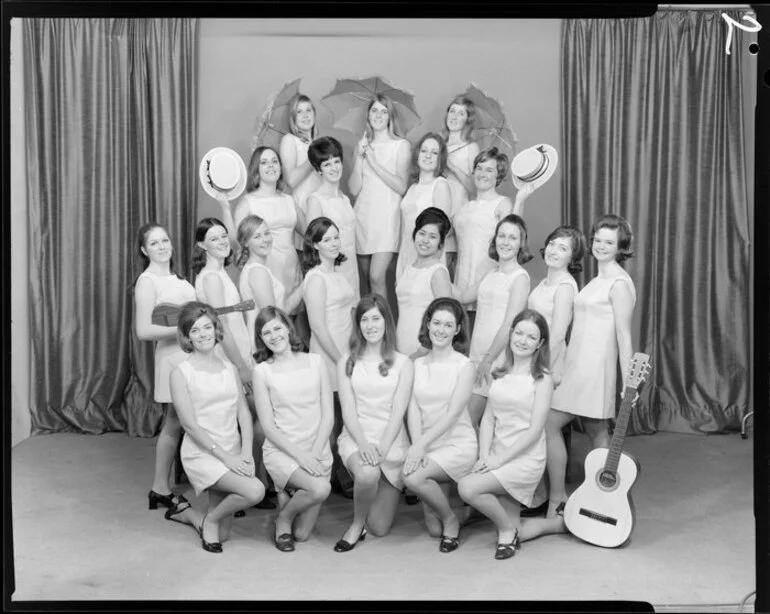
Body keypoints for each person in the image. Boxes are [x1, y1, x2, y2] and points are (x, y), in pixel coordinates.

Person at [545, 214, 637, 519]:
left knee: (563, 425)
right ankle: (591, 499)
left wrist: (629, 384)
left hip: (595, 368)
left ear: (621, 246)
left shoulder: (620, 283)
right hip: (577, 364)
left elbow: (624, 336)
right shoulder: (599, 279)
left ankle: (573, 497)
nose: (600, 246)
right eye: (597, 239)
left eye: (608, 242)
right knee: (596, 430)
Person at [170, 302, 266, 554]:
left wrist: (245, 454)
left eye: (207, 327)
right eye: (195, 330)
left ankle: (187, 513)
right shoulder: (181, 373)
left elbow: (244, 415)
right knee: (255, 491)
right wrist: (226, 458)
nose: (203, 335)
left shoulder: (229, 368)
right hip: (203, 453)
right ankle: (210, 520)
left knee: (222, 536)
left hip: (232, 450)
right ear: (187, 337)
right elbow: (189, 425)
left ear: (216, 328)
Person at [457, 309, 553, 559]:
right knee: (515, 528)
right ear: (510, 335)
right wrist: (485, 454)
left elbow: (535, 431)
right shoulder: (498, 371)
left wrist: (498, 461)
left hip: (524, 457)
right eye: (519, 333)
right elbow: (488, 418)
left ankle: (508, 529)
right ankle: (558, 525)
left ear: (540, 343)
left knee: (467, 488)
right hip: (497, 452)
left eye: (531, 337)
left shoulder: (542, 379)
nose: (523, 340)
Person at [334, 294, 415, 552]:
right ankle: (357, 524)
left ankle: (373, 495)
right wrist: (364, 445)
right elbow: (348, 410)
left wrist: (382, 447)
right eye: (365, 320)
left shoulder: (403, 363)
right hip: (358, 438)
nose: (370, 325)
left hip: (389, 442)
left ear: (386, 322)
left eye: (376, 319)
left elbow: (398, 412)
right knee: (367, 473)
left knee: (379, 527)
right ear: (358, 325)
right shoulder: (346, 361)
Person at [251, 306, 334, 552]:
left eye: (277, 328)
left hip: (316, 448)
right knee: (320, 488)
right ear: (261, 339)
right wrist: (301, 457)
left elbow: (328, 415)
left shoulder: (316, 361)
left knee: (302, 534)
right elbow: (267, 425)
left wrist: (316, 453)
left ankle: (290, 494)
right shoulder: (261, 371)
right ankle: (283, 518)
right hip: (284, 450)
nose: (274, 336)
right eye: (266, 333)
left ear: (288, 328)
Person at [402, 297, 478, 553]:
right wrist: (417, 445)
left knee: (411, 477)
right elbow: (412, 408)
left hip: (457, 443)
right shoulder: (416, 364)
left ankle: (451, 518)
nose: (440, 330)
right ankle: (466, 511)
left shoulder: (464, 365)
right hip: (427, 445)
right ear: (428, 323)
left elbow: (453, 414)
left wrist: (420, 446)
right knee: (433, 531)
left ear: (457, 329)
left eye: (448, 325)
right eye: (436, 323)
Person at [133, 224, 198, 519]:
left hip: (192, 355)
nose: (162, 246)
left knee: (189, 420)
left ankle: (197, 483)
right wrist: (187, 329)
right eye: (154, 243)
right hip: (172, 358)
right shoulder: (147, 282)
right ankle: (160, 487)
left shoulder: (178, 278)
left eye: (165, 240)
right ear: (144, 250)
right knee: (174, 421)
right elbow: (144, 330)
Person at [457, 214, 532, 427]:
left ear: (521, 244)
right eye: (502, 236)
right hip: (478, 354)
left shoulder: (520, 277)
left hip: (497, 357)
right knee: (471, 423)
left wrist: (489, 359)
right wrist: (437, 267)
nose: (505, 242)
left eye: (512, 238)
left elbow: (510, 323)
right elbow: (462, 297)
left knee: (486, 422)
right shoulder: (491, 273)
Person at [301, 217, 357, 496]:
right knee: (332, 416)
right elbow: (318, 326)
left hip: (347, 350)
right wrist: (339, 359)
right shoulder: (315, 278)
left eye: (336, 237)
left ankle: (346, 467)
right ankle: (334, 473)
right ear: (314, 245)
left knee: (348, 412)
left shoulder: (338, 273)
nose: (334, 243)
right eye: (327, 239)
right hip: (327, 354)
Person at [453, 148, 531, 332]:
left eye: (489, 170)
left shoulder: (502, 204)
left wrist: (520, 202)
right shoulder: (465, 207)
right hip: (462, 279)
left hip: (487, 278)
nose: (482, 174)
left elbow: (513, 234)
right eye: (479, 168)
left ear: (499, 175)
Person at [348, 94, 411, 304]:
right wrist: (359, 157)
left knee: (377, 276)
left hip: (386, 218)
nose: (379, 115)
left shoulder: (400, 145)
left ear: (390, 117)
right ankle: (370, 326)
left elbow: (401, 186)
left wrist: (373, 162)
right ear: (368, 115)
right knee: (366, 280)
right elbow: (354, 188)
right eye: (374, 110)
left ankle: (385, 329)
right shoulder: (362, 145)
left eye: (384, 111)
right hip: (363, 216)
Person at [191, 218, 252, 384]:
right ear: (202, 245)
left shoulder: (220, 271)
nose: (223, 242)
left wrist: (225, 206)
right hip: (228, 356)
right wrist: (241, 366)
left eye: (223, 236)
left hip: (239, 348)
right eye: (213, 239)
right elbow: (221, 325)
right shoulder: (212, 278)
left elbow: (235, 241)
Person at [236, 214, 303, 356]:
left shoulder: (258, 268)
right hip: (267, 344)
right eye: (257, 236)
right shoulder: (257, 271)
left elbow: (282, 308)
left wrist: (305, 283)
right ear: (246, 242)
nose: (265, 240)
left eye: (266, 233)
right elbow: (272, 317)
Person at [306, 136, 360, 300]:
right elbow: (314, 243)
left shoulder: (345, 199)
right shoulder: (315, 200)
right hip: (331, 271)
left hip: (351, 266)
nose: (334, 168)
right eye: (327, 164)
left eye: (336, 161)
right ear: (318, 169)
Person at [395, 207, 454, 359]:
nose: (425, 240)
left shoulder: (438, 272)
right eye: (422, 233)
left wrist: (421, 351)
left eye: (433, 237)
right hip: (402, 349)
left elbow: (447, 317)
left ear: (441, 243)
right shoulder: (408, 267)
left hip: (425, 353)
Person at [395, 132, 452, 282]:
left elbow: (443, 231)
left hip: (428, 260)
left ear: (440, 159)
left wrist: (431, 267)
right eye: (424, 151)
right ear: (417, 153)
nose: (428, 156)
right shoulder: (412, 188)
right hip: (406, 255)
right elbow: (405, 229)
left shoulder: (440, 185)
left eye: (434, 153)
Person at [441, 96, 480, 277]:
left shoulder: (471, 148)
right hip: (440, 207)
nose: (454, 116)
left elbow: (475, 187)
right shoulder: (438, 145)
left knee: (457, 270)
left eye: (461, 113)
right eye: (452, 111)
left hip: (459, 211)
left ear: (467, 119)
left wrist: (452, 166)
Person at [278, 93, 322, 251]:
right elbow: (291, 180)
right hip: (302, 209)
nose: (305, 115)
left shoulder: (318, 143)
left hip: (320, 207)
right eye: (299, 111)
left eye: (308, 110)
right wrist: (313, 156)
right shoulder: (290, 140)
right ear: (293, 118)